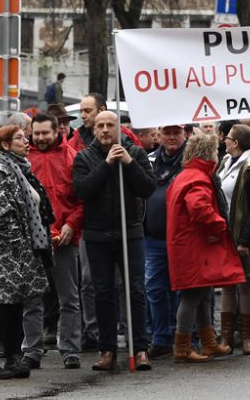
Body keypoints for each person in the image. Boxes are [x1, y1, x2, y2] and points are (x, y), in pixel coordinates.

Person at [73, 111, 156, 372]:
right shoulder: (84, 157)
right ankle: (107, 349)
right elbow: (83, 190)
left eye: (111, 125)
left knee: (135, 290)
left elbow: (148, 188)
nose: (106, 130)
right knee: (103, 292)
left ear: (119, 128)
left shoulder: (135, 153)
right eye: (101, 126)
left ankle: (139, 348)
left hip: (130, 232)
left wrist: (129, 163)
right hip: (98, 235)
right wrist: (107, 164)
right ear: (94, 130)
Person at [0, 125, 53, 381]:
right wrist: (19, 244)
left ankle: (12, 357)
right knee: (3, 305)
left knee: (16, 303)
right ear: (5, 145)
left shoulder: (20, 169)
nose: (26, 142)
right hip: (6, 251)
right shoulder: (1, 171)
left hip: (20, 251)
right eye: (20, 138)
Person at [166, 133, 242, 363]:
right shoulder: (198, 178)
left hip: (187, 245)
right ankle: (182, 346)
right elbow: (199, 208)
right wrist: (221, 225)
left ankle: (208, 343)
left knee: (202, 292)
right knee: (192, 296)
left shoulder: (185, 174)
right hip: (194, 247)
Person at [27, 113, 83, 370]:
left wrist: (72, 224)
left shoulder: (72, 157)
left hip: (64, 238)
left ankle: (70, 349)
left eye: (44, 133)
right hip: (32, 240)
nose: (40, 138)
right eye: (36, 133)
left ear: (55, 132)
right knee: (32, 297)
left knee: (69, 298)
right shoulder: (24, 159)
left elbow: (82, 198)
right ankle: (32, 349)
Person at [215, 124, 250, 355]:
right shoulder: (226, 163)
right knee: (228, 285)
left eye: (227, 138)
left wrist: (245, 240)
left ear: (236, 142)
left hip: (242, 235)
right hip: (225, 233)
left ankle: (247, 337)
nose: (224, 141)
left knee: (246, 284)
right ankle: (227, 336)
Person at [142, 123, 188, 359]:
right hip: (154, 238)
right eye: (167, 132)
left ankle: (186, 337)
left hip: (184, 240)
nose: (171, 137)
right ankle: (161, 339)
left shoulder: (192, 161)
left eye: (176, 132)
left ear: (185, 134)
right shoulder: (149, 161)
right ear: (158, 135)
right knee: (155, 289)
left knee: (184, 292)